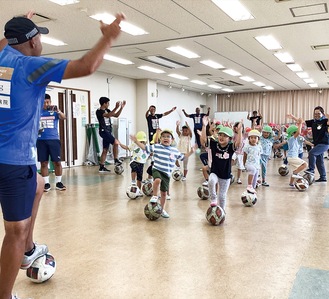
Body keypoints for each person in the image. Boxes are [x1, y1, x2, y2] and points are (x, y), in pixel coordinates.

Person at [0, 12, 124, 299]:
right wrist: (107, 38)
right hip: (14, 161)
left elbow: (8, 41)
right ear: (31, 43)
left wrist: (17, 25)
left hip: (12, 161)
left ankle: (28, 249)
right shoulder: (30, 66)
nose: (41, 41)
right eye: (38, 36)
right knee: (14, 231)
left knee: (41, 184)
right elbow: (86, 66)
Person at [131, 129, 195, 218]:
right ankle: (154, 196)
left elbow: (183, 158)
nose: (165, 138)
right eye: (163, 136)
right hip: (157, 169)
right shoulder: (157, 147)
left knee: (164, 193)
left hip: (166, 174)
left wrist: (191, 152)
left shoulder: (174, 150)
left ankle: (161, 209)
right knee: (157, 180)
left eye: (168, 137)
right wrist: (136, 141)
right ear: (160, 139)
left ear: (172, 140)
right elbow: (145, 148)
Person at [201, 116, 242, 211]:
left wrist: (239, 131)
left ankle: (222, 212)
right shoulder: (214, 144)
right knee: (211, 180)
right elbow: (203, 141)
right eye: (220, 135)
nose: (221, 137)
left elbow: (239, 144)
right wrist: (204, 126)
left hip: (225, 176)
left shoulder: (231, 147)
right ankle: (213, 198)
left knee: (222, 197)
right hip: (215, 172)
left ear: (230, 138)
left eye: (225, 136)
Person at [289, 108, 329, 182]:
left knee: (312, 153)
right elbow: (302, 122)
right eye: (315, 113)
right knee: (319, 160)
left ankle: (311, 170)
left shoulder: (325, 120)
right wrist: (293, 117)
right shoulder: (313, 121)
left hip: (324, 143)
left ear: (322, 114)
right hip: (317, 144)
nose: (316, 115)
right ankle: (323, 177)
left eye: (318, 113)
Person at [37, 93, 67, 192]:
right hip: (41, 140)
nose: (46, 104)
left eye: (48, 102)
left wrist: (58, 111)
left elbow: (64, 117)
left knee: (57, 162)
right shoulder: (37, 112)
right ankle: (46, 183)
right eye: (44, 102)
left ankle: (59, 182)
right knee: (44, 162)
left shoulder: (54, 112)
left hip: (54, 140)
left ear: (50, 102)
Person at [96, 97, 126, 172]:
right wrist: (116, 107)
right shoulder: (99, 111)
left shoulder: (107, 110)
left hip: (108, 131)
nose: (109, 105)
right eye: (108, 103)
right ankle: (116, 159)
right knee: (115, 142)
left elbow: (116, 115)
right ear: (104, 103)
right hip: (103, 131)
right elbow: (108, 115)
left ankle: (102, 167)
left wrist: (121, 108)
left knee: (105, 149)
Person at [275, 120, 308, 188]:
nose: (298, 133)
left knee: (295, 170)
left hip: (291, 157)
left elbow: (297, 132)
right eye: (296, 132)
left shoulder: (292, 139)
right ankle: (295, 173)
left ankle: (291, 184)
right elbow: (298, 132)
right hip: (292, 157)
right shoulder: (292, 138)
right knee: (305, 164)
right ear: (293, 133)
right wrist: (300, 123)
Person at [119, 131, 149, 195]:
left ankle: (138, 190)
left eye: (143, 142)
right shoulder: (134, 145)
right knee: (134, 168)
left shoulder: (147, 147)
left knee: (139, 178)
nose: (141, 143)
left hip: (142, 163)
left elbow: (150, 153)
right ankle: (133, 181)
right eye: (140, 141)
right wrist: (120, 144)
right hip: (134, 161)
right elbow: (127, 148)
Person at [243, 129, 262, 194]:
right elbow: (245, 156)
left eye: (255, 138)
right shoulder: (247, 147)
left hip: (256, 165)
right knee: (253, 170)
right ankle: (249, 185)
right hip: (249, 164)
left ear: (258, 139)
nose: (253, 139)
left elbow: (259, 155)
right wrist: (244, 164)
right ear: (249, 139)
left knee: (255, 177)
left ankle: (251, 189)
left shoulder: (259, 146)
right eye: (251, 137)